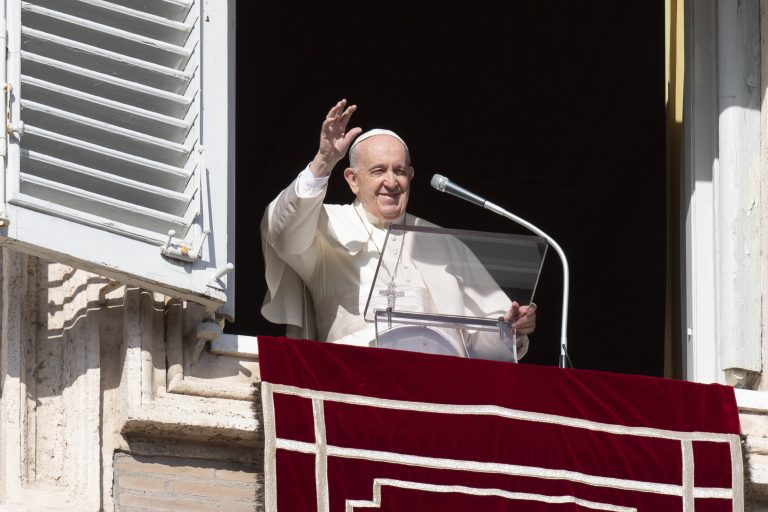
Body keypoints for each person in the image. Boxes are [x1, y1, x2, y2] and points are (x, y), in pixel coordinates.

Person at [261, 99, 537, 360]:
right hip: (353, 370)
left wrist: (508, 329)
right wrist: (323, 162)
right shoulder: (325, 223)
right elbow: (282, 234)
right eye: (379, 171)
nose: (391, 182)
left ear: (411, 176)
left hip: (441, 376)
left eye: (400, 171)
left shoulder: (444, 242)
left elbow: (479, 344)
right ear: (353, 179)